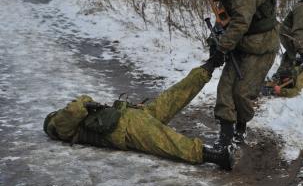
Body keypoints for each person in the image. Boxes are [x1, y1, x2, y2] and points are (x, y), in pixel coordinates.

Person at [43, 59, 234, 170]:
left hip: (130, 115)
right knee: (168, 141)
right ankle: (214, 156)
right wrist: (85, 102)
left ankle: (207, 67)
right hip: (125, 129)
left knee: (170, 98)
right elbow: (74, 109)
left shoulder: (68, 126)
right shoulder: (59, 128)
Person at [208, 0, 279, 148]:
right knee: (225, 88)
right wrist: (215, 41)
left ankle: (240, 127)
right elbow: (225, 19)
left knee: (241, 93)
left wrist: (223, 47)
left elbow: (239, 23)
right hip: (241, 45)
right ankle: (225, 135)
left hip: (261, 47)